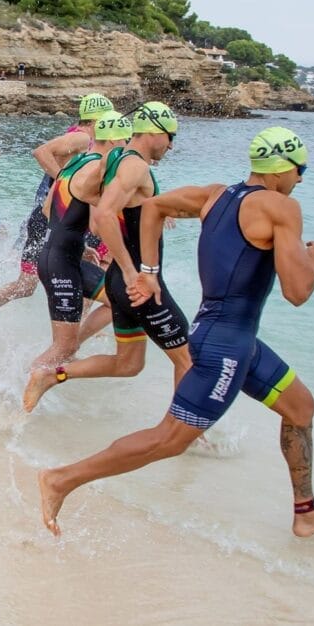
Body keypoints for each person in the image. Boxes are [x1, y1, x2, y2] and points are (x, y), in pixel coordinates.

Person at [36, 127, 314, 540]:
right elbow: (297, 292)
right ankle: (61, 480)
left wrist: (149, 273)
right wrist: (313, 261)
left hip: (238, 343)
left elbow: (153, 208)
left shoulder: (214, 196)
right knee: (168, 440)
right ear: (282, 169)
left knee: (301, 409)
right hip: (224, 348)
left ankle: (306, 512)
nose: (301, 180)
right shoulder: (281, 208)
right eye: (301, 170)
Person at [24, 103, 192, 408]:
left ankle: (51, 376)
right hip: (128, 279)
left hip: (72, 259)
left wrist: (154, 207)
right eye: (171, 137)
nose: (172, 145)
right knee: (188, 359)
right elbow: (101, 216)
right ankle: (185, 433)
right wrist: (131, 269)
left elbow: (52, 208)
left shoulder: (85, 165)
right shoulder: (127, 165)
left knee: (129, 364)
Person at [0, 93, 114, 328]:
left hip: (47, 219)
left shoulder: (80, 138)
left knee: (25, 286)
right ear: (96, 120)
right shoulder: (81, 137)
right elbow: (40, 152)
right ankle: (73, 337)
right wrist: (65, 180)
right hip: (49, 219)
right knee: (55, 278)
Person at [18, 111, 130, 408]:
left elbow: (46, 210)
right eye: (127, 141)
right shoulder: (97, 170)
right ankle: (16, 398)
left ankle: (61, 357)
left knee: (119, 301)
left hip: (61, 255)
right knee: (63, 346)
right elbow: (97, 224)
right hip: (61, 263)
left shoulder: (73, 163)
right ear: (117, 139)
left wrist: (76, 243)